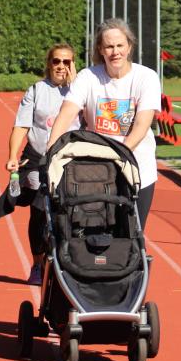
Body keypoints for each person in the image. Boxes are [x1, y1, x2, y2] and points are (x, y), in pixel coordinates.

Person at [48, 19, 161, 228]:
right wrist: (50, 150)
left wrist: (120, 155)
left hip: (137, 169)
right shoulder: (88, 77)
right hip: (96, 171)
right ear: (100, 49)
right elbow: (66, 114)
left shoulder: (146, 78)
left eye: (120, 45)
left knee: (132, 233)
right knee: (93, 231)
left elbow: (141, 125)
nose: (115, 52)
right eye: (109, 46)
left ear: (129, 47)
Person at [0, 44, 79, 284]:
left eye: (67, 62)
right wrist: (12, 156)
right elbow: (21, 126)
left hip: (70, 159)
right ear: (49, 63)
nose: (61, 66)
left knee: (70, 211)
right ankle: (37, 264)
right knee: (39, 208)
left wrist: (76, 84)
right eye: (57, 61)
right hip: (38, 159)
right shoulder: (36, 90)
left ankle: (69, 261)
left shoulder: (81, 90)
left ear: (73, 64)